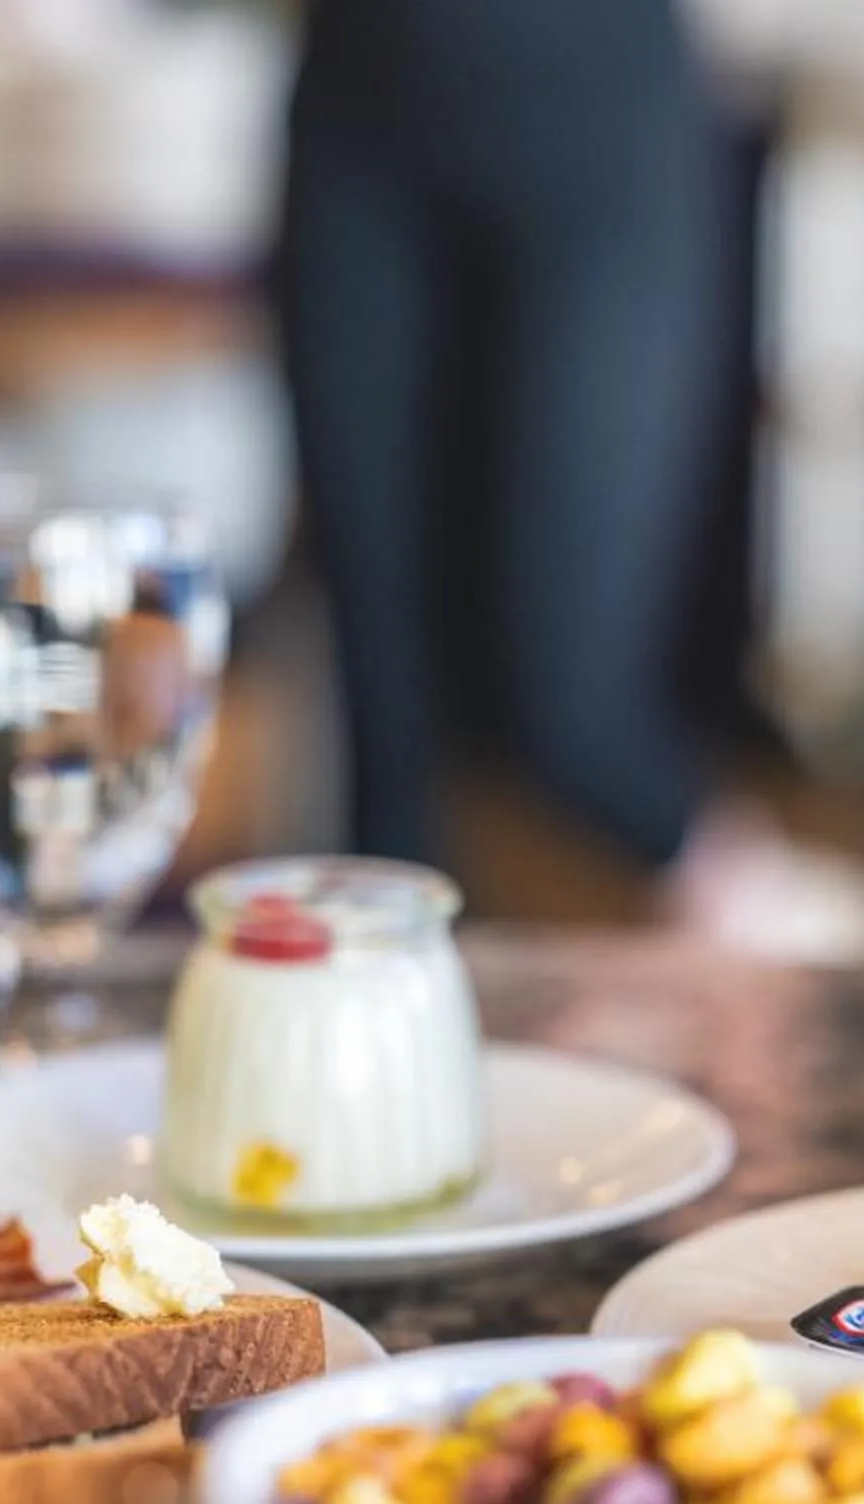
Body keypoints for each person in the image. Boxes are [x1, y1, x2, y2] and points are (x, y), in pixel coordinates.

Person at [279, 0, 727, 874]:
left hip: (595, 124)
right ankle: (387, 1001)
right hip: (360, 122)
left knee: (568, 717)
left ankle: (750, 898)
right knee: (380, 718)